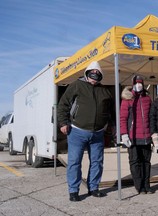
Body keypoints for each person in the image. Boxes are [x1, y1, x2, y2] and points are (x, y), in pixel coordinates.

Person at [58, 61, 113, 202]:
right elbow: (63, 104)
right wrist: (63, 122)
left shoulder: (104, 90)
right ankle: (73, 190)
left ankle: (93, 187)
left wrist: (110, 125)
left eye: (97, 76)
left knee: (97, 162)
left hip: (98, 133)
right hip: (77, 131)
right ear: (87, 74)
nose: (94, 78)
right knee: (74, 161)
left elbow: (110, 111)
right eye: (92, 75)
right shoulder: (76, 85)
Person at [120, 75, 154, 195]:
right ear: (132, 84)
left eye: (140, 83)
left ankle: (147, 185)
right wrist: (124, 134)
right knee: (134, 162)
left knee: (146, 162)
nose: (138, 85)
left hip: (146, 136)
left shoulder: (147, 99)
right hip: (132, 136)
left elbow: (151, 117)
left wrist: (153, 134)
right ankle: (139, 186)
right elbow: (122, 118)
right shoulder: (127, 99)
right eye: (136, 83)